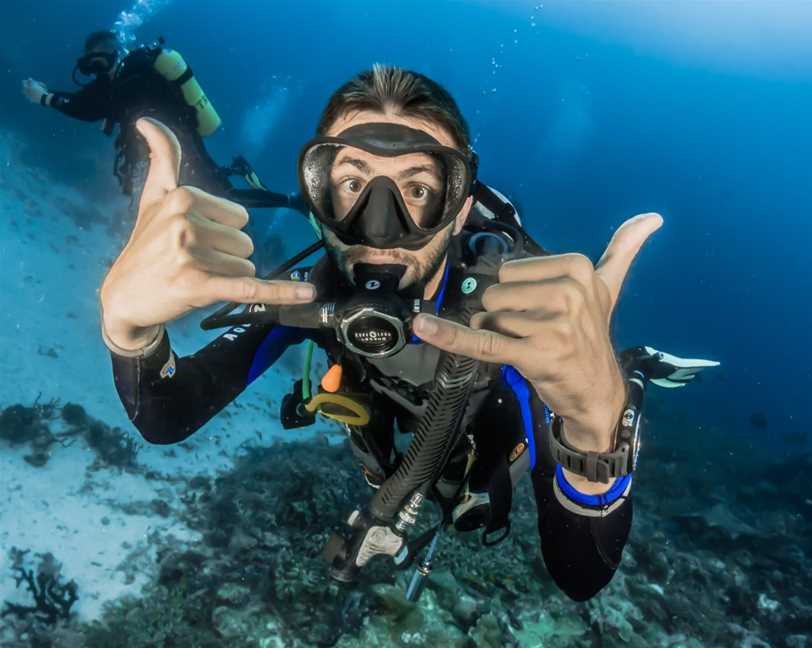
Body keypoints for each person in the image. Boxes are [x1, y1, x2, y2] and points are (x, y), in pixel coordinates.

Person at [97, 65, 718, 602]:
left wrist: (595, 428)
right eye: (351, 183)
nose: (380, 224)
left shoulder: (512, 321)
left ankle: (628, 372)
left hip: (487, 453)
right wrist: (127, 328)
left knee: (582, 397)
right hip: (396, 462)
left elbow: (580, 574)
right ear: (318, 197)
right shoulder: (310, 292)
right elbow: (166, 415)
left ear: (458, 209)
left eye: (419, 188)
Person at [21, 29, 301, 212]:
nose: (93, 70)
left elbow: (90, 107)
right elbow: (90, 101)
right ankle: (235, 169)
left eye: (95, 60)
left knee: (224, 196)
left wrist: (46, 99)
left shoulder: (130, 75)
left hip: (180, 143)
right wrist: (48, 95)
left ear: (107, 54)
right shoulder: (126, 75)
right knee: (196, 189)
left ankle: (293, 202)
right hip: (175, 141)